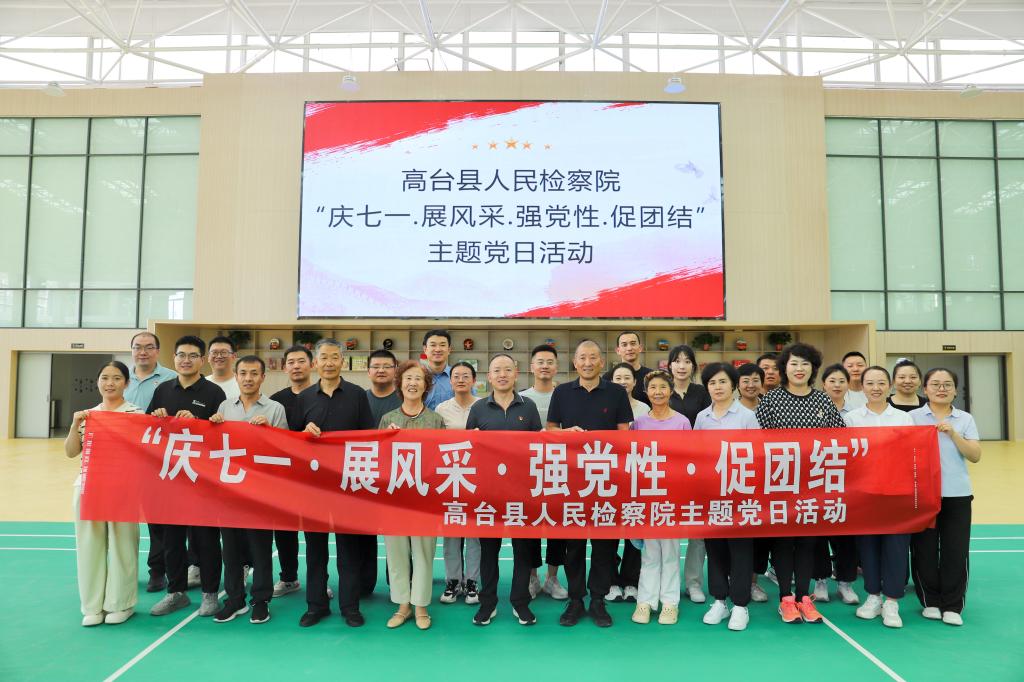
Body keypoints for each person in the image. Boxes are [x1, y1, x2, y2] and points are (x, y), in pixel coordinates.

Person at [755, 342, 845, 624]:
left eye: (805, 364)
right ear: (785, 367)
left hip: (814, 483)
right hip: (780, 483)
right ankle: (786, 599)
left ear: (813, 369)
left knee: (808, 542)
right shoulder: (771, 400)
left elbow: (841, 439)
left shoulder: (823, 401)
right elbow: (757, 442)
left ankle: (805, 598)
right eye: (794, 363)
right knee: (783, 542)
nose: (799, 369)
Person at [546, 339, 632, 628]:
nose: (587, 362)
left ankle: (598, 600)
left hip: (606, 480)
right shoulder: (561, 392)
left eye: (592, 357)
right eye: (582, 357)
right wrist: (567, 434)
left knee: (605, 544)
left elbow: (624, 434)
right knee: (573, 544)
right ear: (574, 362)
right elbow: (551, 430)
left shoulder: (617, 393)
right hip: (571, 481)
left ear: (601, 362)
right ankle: (575, 599)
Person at [295, 339, 376, 628]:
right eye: (324, 357)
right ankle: (316, 606)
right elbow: (291, 440)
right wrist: (303, 432)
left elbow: (368, 438)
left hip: (347, 486)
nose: (329, 363)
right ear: (315, 363)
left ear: (342, 361)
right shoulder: (304, 397)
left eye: (334, 357)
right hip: (314, 487)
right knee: (315, 551)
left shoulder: (357, 395)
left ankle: (350, 607)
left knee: (349, 551)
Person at [146, 336, 227, 618]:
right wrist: (156, 417)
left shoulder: (214, 392)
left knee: (206, 540)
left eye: (193, 355)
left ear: (202, 360)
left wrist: (198, 424)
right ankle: (176, 592)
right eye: (181, 355)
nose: (186, 360)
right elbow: (147, 431)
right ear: (174, 358)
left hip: (202, 480)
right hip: (170, 479)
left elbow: (223, 435)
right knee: (172, 541)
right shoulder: (162, 390)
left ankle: (210, 594)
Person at [209, 355, 289, 625]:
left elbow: (285, 450)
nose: (248, 378)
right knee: (230, 550)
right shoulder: (224, 406)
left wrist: (269, 431)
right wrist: (213, 426)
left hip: (261, 493)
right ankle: (234, 599)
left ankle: (261, 600)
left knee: (260, 548)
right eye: (243, 373)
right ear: (236, 376)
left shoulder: (275, 409)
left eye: (254, 373)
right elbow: (215, 445)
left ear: (263, 377)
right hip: (230, 491)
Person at [65, 361, 142, 626]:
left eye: (117, 378)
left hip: (123, 488)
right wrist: (75, 425)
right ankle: (92, 606)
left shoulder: (136, 414)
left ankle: (122, 604)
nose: (110, 383)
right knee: (89, 545)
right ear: (98, 382)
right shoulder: (88, 415)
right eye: (105, 378)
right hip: (88, 487)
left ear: (127, 383)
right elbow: (71, 452)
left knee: (123, 545)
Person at [468, 354, 543, 626]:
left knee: (523, 551)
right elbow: (468, 450)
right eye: (497, 370)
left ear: (516, 374)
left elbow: (539, 447)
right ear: (489, 376)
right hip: (488, 494)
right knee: (489, 552)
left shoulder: (529, 406)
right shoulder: (478, 408)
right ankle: (487, 603)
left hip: (522, 492)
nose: (502, 374)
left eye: (507, 370)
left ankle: (520, 602)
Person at [910, 368, 981, 626]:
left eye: (947, 384)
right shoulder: (912, 417)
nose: (942, 389)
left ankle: (952, 605)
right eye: (936, 384)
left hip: (957, 494)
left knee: (956, 551)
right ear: (925, 389)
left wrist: (953, 434)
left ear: (955, 390)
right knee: (924, 550)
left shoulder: (964, 419)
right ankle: (930, 601)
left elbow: (975, 455)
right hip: (922, 496)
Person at [845, 366, 914, 628]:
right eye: (870, 383)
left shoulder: (904, 419)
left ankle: (892, 601)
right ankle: (873, 596)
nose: (876, 388)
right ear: (862, 386)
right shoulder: (852, 419)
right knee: (868, 546)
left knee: (896, 547)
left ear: (890, 386)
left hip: (897, 493)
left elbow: (911, 453)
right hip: (865, 494)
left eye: (881, 382)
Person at [694, 363, 761, 631]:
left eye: (722, 382)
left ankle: (741, 605)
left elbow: (757, 455)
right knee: (715, 549)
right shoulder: (702, 417)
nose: (717, 387)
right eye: (712, 383)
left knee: (740, 549)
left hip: (740, 493)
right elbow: (695, 454)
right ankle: (720, 601)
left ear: (733, 385)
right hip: (711, 493)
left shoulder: (746, 416)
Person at [380, 360, 445, 630]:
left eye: (418, 379)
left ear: (426, 386)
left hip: (424, 500)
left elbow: (441, 461)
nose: (413, 383)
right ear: (400, 384)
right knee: (396, 554)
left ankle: (421, 606)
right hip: (394, 500)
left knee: (423, 554)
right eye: (408, 378)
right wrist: (387, 440)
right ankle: (402, 606)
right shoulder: (388, 419)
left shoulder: (436, 420)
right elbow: (378, 461)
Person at [628, 370, 690, 626]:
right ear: (646, 392)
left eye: (663, 387)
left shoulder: (682, 422)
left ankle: (670, 603)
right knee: (650, 553)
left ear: (671, 390)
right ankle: (645, 601)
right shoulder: (638, 423)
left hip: (673, 496)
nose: (658, 392)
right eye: (653, 387)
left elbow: (689, 460)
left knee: (671, 552)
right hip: (647, 496)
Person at [124, 331, 177, 594]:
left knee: (158, 519)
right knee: (122, 518)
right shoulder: (121, 378)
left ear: (157, 350)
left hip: (158, 460)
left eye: (148, 347)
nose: (142, 352)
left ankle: (158, 570)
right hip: (124, 459)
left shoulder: (170, 379)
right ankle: (123, 570)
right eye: (137, 347)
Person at [520, 344, 568, 601]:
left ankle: (552, 578)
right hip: (529, 471)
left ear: (556, 367)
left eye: (550, 362)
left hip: (559, 470)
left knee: (558, 525)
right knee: (530, 525)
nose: (545, 366)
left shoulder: (565, 396)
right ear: (532, 367)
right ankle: (532, 577)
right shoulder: (521, 398)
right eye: (540, 362)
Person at [268, 345, 315, 598]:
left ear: (312, 365)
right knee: (284, 530)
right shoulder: (276, 400)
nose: (296, 366)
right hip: (284, 477)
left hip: (315, 477)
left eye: (301, 361)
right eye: (291, 362)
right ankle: (288, 578)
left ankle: (319, 581)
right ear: (285, 367)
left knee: (315, 533)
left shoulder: (322, 395)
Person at [435, 361, 482, 607]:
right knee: (451, 532)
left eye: (466, 376)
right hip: (450, 477)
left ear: (474, 380)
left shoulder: (484, 406)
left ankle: (472, 581)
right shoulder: (441, 409)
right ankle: (453, 580)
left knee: (474, 533)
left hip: (477, 478)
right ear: (450, 381)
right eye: (456, 376)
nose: (461, 379)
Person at [666, 343, 710, 603]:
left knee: (698, 530)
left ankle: (693, 583)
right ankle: (667, 582)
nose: (681, 366)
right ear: (669, 365)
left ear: (693, 366)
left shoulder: (702, 393)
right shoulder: (661, 389)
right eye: (677, 360)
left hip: (698, 469)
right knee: (666, 530)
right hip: (667, 470)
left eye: (687, 361)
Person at [813, 364, 860, 605]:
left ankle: (845, 583)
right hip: (819, 477)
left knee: (845, 533)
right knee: (819, 531)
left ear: (848, 385)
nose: (837, 385)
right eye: (832, 380)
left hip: (848, 480)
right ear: (823, 384)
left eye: (842, 381)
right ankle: (820, 581)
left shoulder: (857, 414)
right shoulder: (813, 409)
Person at [607, 362, 649, 602]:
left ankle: (631, 581)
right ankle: (611, 580)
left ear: (634, 382)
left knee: (634, 526)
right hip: (610, 476)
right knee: (610, 527)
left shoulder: (644, 409)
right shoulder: (605, 404)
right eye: (618, 378)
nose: (623, 382)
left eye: (627, 377)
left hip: (637, 475)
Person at [601, 331, 652, 404]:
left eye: (633, 343)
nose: (629, 348)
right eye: (624, 345)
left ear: (640, 348)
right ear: (618, 350)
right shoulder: (607, 377)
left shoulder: (651, 376)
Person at [366, 349, 401, 426]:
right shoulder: (360, 398)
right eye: (376, 367)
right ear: (368, 372)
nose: (381, 370)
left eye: (387, 367)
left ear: (396, 371)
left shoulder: (405, 399)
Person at [422, 329, 455, 409]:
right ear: (425, 349)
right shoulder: (417, 376)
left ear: (449, 350)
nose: (438, 349)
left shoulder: (458, 376)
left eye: (442, 345)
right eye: (433, 345)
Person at [207, 336, 241, 402]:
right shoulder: (201, 384)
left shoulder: (243, 384)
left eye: (224, 352)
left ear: (234, 356)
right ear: (208, 357)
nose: (219, 356)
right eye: (214, 352)